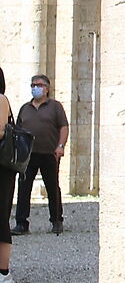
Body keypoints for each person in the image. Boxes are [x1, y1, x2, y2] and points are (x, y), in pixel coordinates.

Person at [15, 73, 68, 236]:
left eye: (39, 85)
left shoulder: (55, 106)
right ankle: (21, 223)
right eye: (33, 85)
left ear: (47, 88)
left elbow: (64, 127)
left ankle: (56, 220)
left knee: (52, 187)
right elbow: (18, 130)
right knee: (24, 188)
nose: (35, 88)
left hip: (49, 153)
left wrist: (60, 146)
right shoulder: (25, 108)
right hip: (28, 154)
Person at [0, 70, 15, 283]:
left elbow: (1, 131)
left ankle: (3, 272)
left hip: (2, 166)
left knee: (1, 216)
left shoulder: (0, 99)